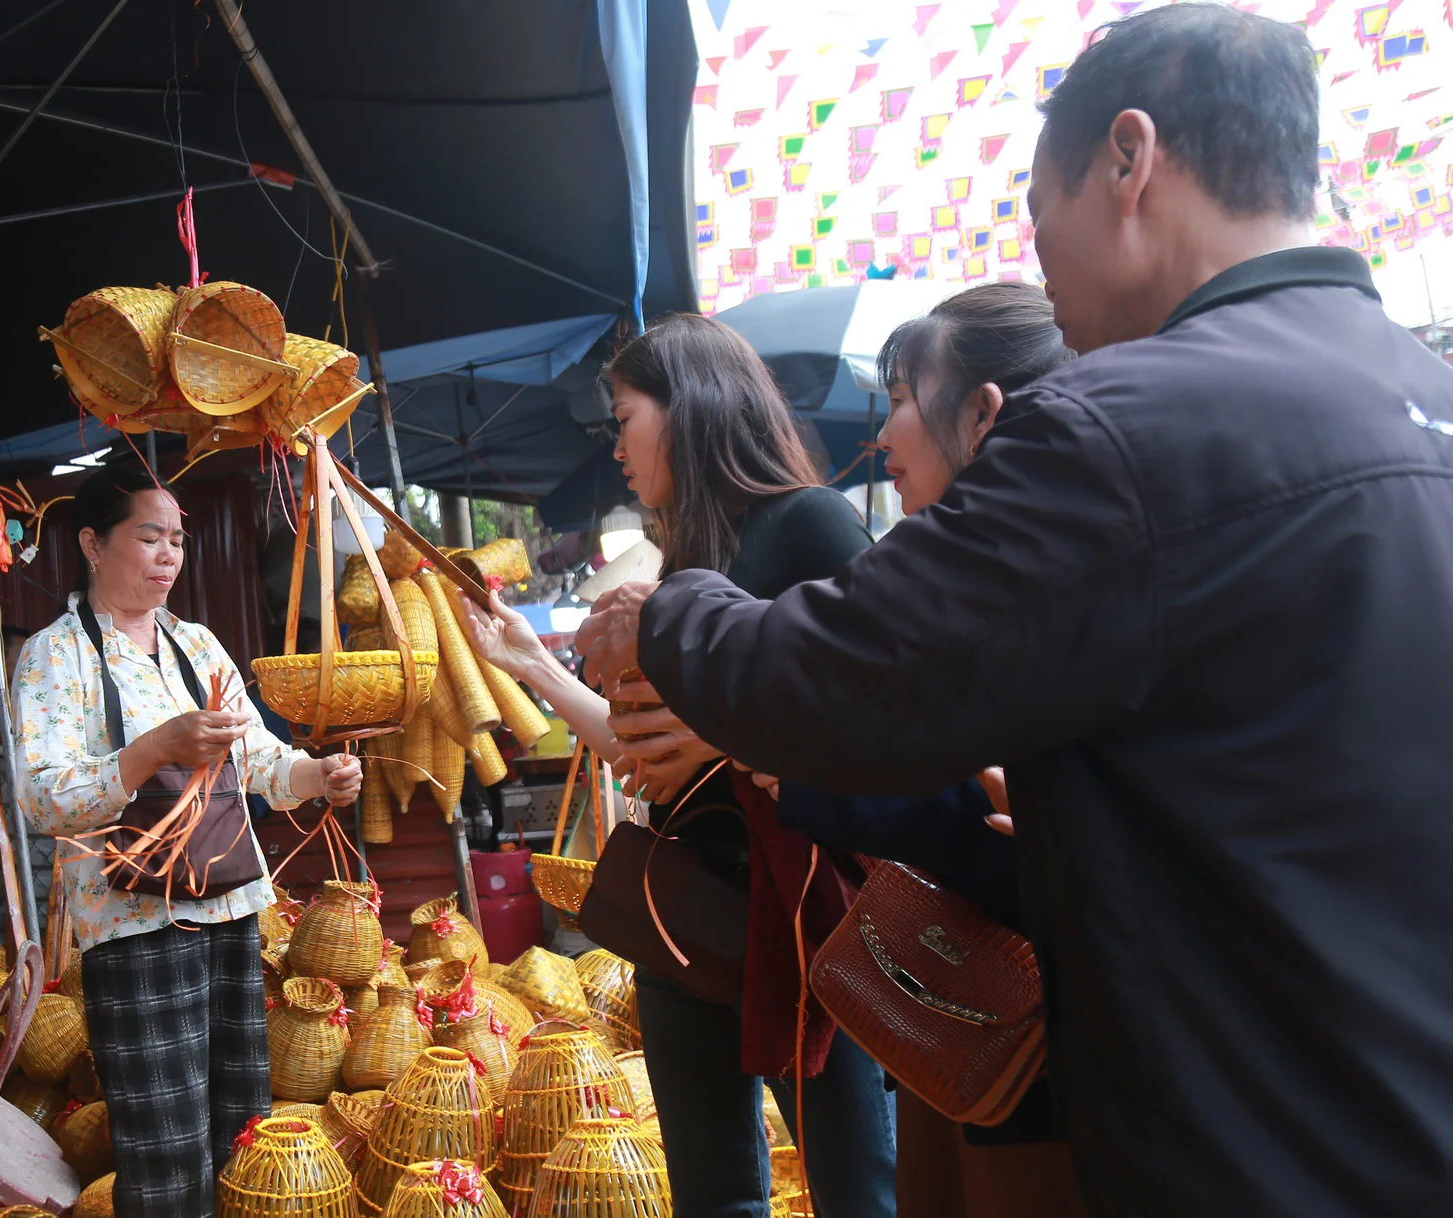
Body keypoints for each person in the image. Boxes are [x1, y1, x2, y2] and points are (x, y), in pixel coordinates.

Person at [574, 7, 1453, 1216]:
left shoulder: (1126, 426)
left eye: (1038, 215)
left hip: (1246, 1134)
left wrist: (661, 622)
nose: (1036, 261)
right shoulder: (1422, 392)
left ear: (1126, 159)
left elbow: (846, 680)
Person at [463, 312, 896, 1218]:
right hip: (686, 917)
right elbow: (641, 748)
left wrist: (731, 731)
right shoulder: (690, 562)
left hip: (803, 924)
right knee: (714, 1192)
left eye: (624, 418)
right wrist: (529, 664)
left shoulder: (809, 524)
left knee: (857, 1187)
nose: (616, 446)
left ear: (688, 407)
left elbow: (889, 708)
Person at [731, 282, 1085, 1218]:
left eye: (898, 401)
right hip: (966, 1027)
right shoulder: (1009, 573)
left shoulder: (1046, 591)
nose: (882, 436)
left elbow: (999, 822)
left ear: (982, 413)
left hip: (1031, 1039)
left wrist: (802, 773)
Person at [13, 464, 361, 1218]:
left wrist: (316, 774)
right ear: (93, 545)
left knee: (242, 1126)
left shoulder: (196, 645)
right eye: (149, 536)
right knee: (164, 1149)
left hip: (230, 910)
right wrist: (152, 750)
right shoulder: (56, 655)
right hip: (134, 924)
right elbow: (43, 800)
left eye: (177, 539)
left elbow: (261, 763)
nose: (169, 554)